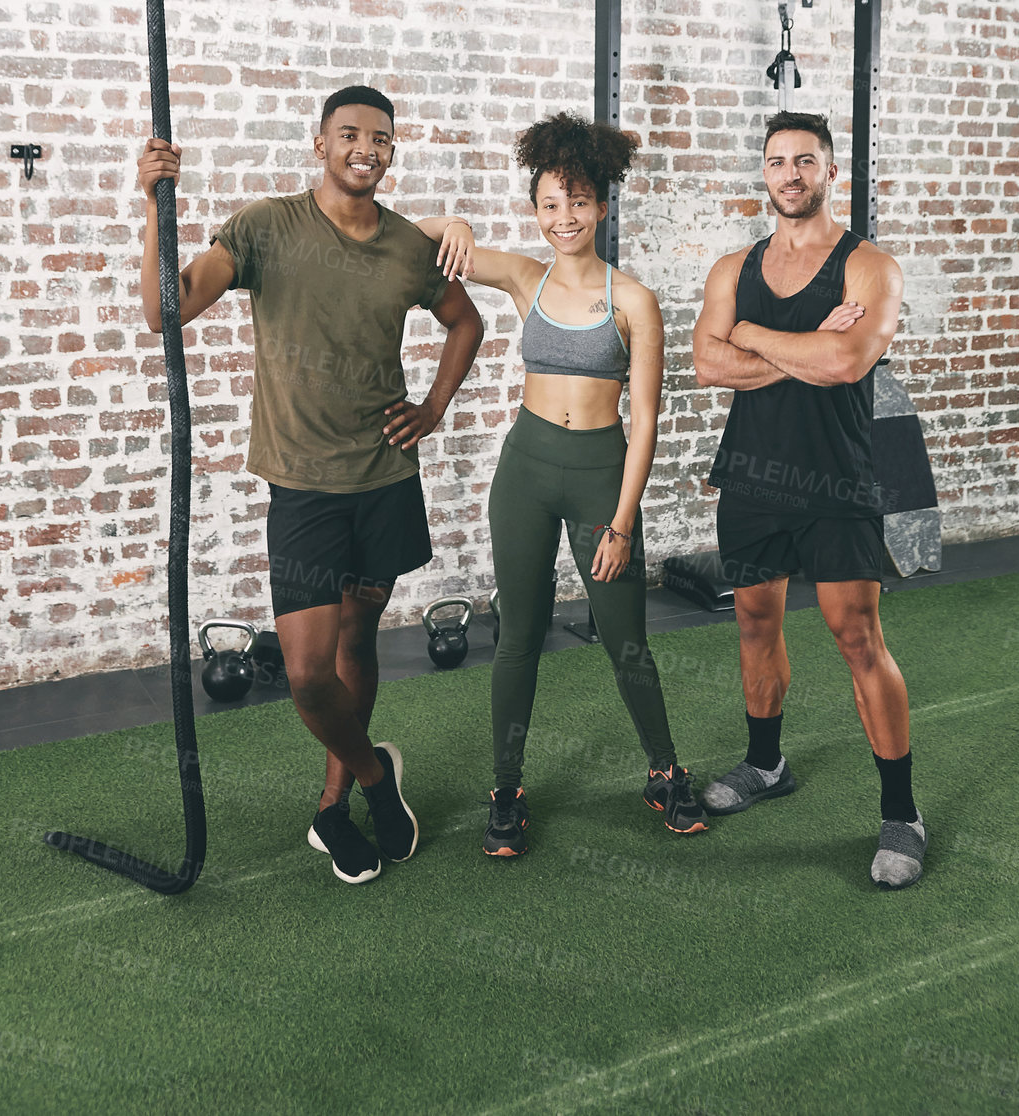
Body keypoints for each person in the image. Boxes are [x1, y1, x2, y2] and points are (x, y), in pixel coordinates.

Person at [137, 85, 484, 886]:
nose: (367, 148)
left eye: (382, 139)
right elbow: (166, 310)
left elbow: (466, 322)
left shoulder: (407, 246)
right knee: (305, 674)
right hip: (303, 490)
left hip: (384, 482)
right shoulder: (266, 226)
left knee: (359, 645)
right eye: (351, 134)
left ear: (392, 151)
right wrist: (155, 206)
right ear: (319, 144)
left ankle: (331, 809)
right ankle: (373, 776)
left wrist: (431, 409)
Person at [416, 112, 708, 856]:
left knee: (626, 641)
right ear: (534, 208)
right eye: (549, 203)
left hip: (599, 477)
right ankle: (506, 790)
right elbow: (408, 238)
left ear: (602, 205)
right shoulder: (523, 276)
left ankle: (664, 771)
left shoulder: (633, 300)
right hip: (525, 471)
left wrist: (619, 521)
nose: (563, 217)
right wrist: (447, 218)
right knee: (517, 637)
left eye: (577, 201)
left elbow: (643, 422)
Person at [692, 111, 926, 889]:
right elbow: (707, 365)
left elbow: (844, 360)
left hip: (837, 477)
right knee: (754, 621)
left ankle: (901, 813)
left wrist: (750, 336)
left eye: (804, 161)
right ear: (763, 173)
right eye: (775, 162)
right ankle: (766, 765)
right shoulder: (734, 267)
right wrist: (794, 344)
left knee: (855, 635)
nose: (788, 175)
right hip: (754, 477)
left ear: (830, 172)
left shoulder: (871, 267)